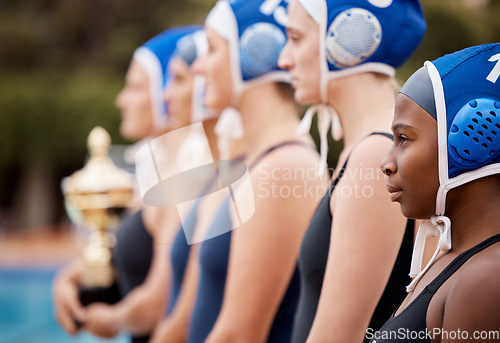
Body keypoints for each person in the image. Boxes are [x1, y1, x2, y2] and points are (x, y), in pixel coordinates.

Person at [158, 1, 329, 342]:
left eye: (213, 50)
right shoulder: (255, 162)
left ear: (255, 52)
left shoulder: (284, 168)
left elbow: (239, 334)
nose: (200, 67)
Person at [277, 1, 426, 342]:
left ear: (348, 39)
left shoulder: (373, 156)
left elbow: (338, 336)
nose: (284, 60)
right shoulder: (365, 149)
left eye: (296, 38)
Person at [52, 26, 199, 343]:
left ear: (167, 89)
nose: (121, 100)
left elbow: (160, 303)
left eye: (134, 87)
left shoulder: (193, 170)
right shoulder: (161, 168)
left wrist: (110, 319)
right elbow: (129, 252)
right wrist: (70, 278)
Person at [374, 43, 500, 343]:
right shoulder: (454, 260)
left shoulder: (485, 280)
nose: (386, 163)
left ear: (475, 137)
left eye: (404, 138)